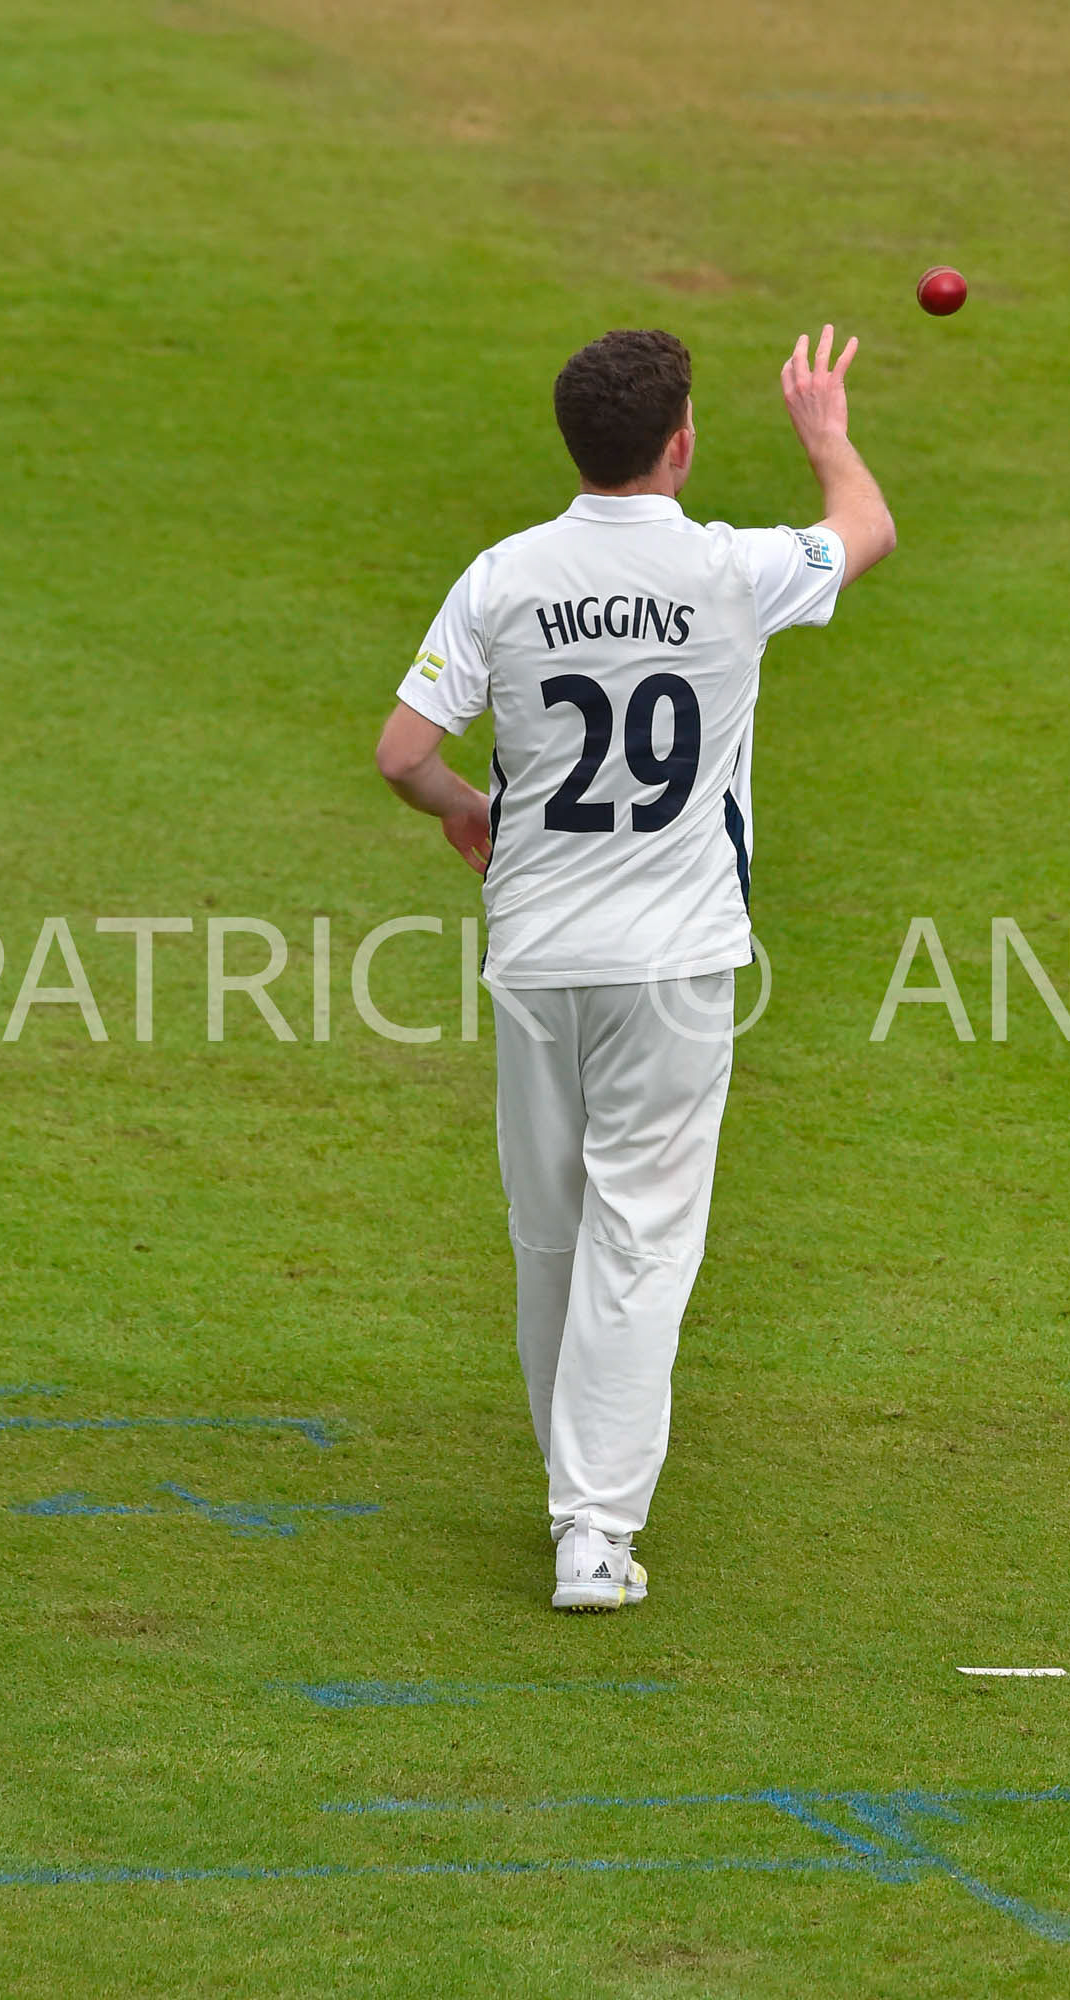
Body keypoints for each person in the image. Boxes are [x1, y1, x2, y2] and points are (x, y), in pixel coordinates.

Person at [374, 325, 895, 1609]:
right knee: (642, 1236)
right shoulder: (731, 569)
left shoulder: (504, 575)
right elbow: (866, 528)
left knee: (550, 1228)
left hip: (539, 949)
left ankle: (576, 1494)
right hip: (673, 961)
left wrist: (468, 811)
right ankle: (593, 1530)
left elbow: (401, 754)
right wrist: (826, 434)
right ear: (682, 441)